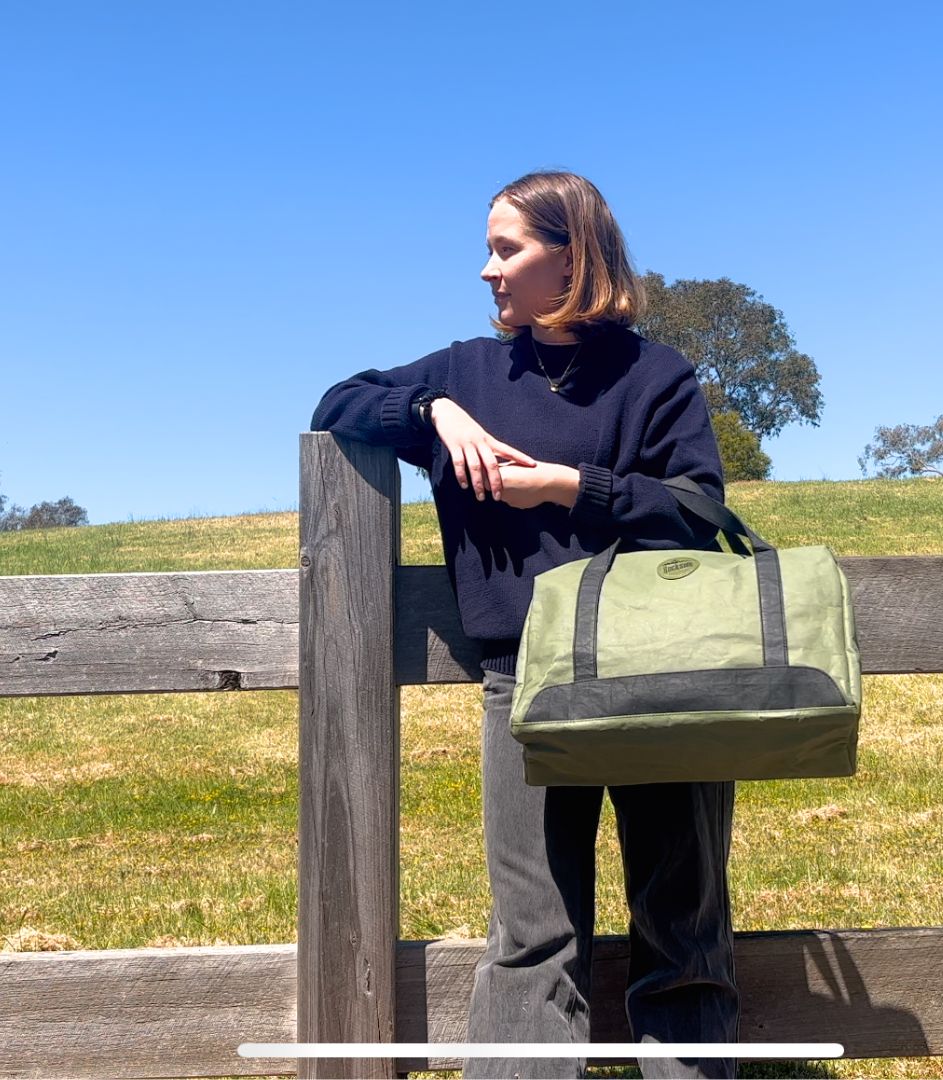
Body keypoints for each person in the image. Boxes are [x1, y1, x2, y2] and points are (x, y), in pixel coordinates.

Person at [310, 171, 739, 1079]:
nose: (485, 270)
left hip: (664, 675)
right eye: (488, 249)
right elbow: (335, 402)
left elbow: (700, 510)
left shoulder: (656, 375)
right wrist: (429, 409)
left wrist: (564, 485)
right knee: (533, 935)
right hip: (523, 681)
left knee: (682, 926)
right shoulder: (466, 369)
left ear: (572, 257)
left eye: (506, 249)